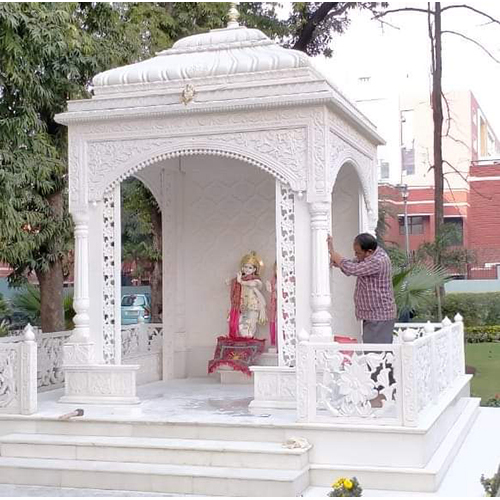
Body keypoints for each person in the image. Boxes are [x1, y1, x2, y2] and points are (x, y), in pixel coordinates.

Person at [327, 233, 396, 343]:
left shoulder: (378, 261)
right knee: (371, 352)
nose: (356, 255)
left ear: (369, 252)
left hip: (379, 317)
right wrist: (336, 259)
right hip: (372, 316)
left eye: (358, 253)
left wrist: (334, 254)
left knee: (375, 355)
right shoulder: (370, 256)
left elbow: (353, 269)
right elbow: (351, 265)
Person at [228, 251, 267, 339]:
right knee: (241, 323)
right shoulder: (239, 279)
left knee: (250, 323)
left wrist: (240, 282)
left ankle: (248, 338)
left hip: (252, 306)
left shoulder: (256, 280)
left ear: (254, 269)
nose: (247, 269)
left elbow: (251, 284)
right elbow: (233, 283)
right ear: (242, 268)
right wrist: (233, 282)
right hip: (241, 305)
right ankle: (243, 339)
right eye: (245, 267)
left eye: (250, 267)